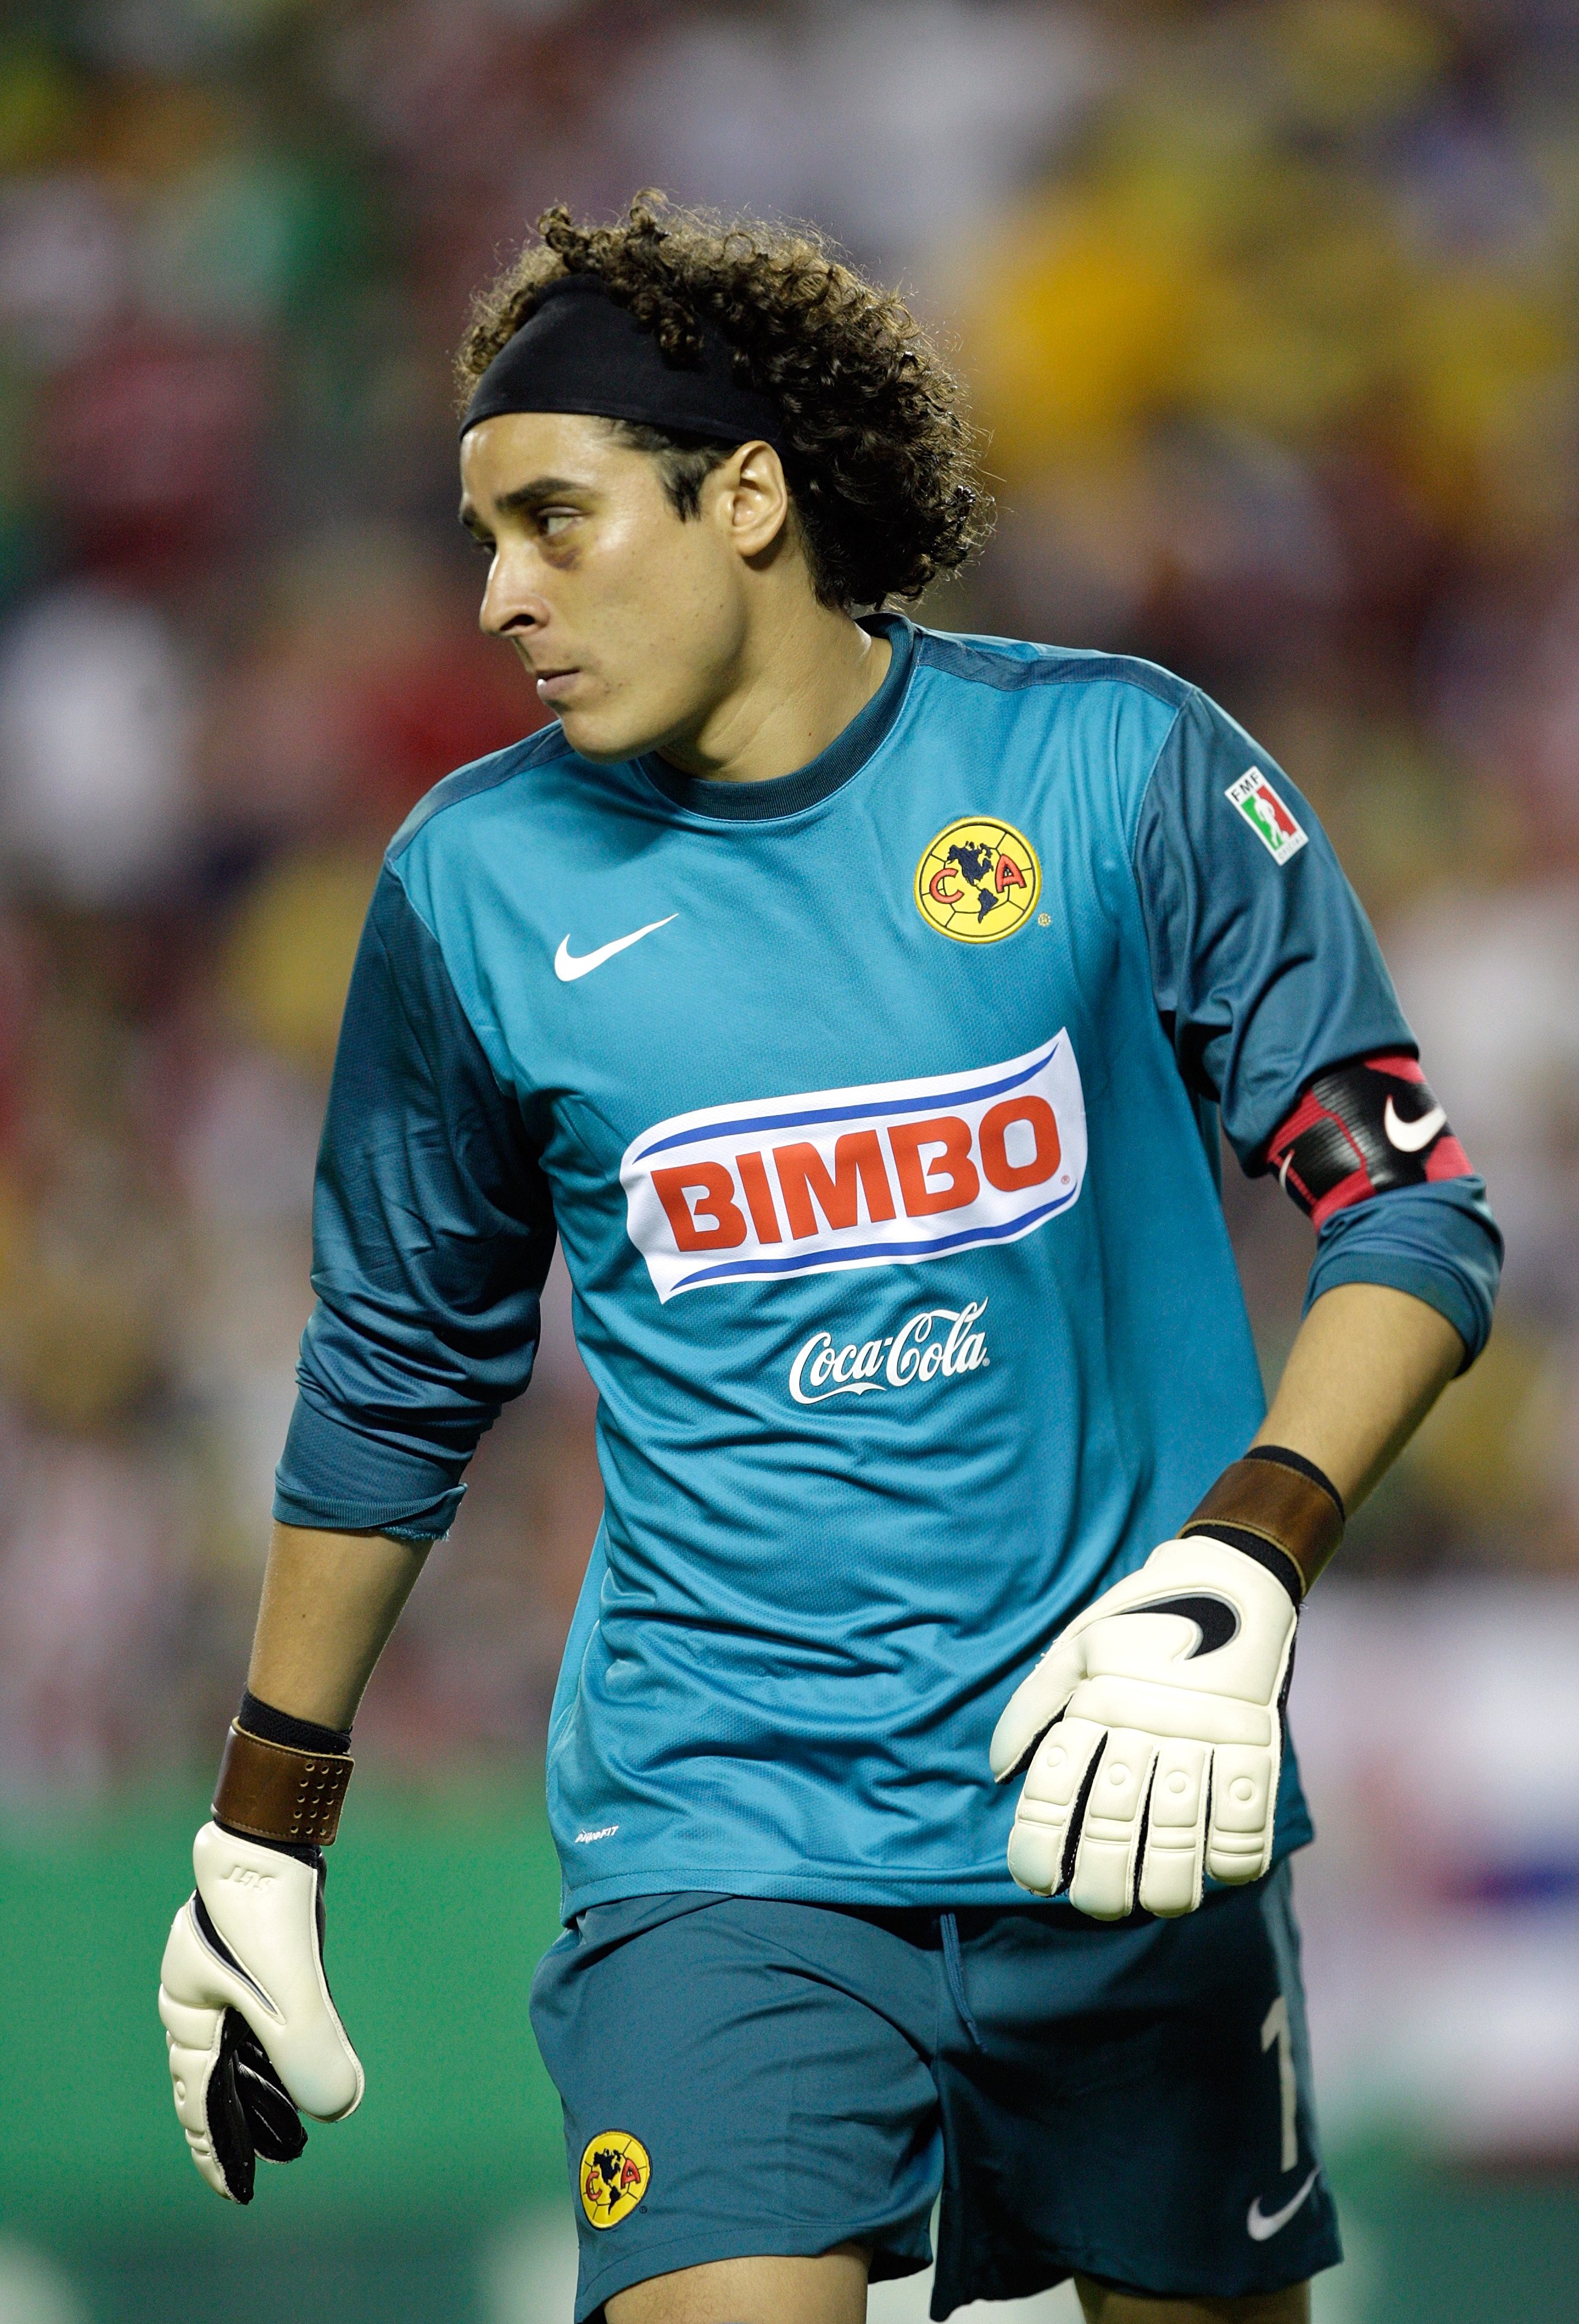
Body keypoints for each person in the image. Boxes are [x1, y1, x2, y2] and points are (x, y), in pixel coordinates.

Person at [157, 197, 1500, 2324]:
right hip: (724, 1841)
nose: (500, 594)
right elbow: (398, 1366)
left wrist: (1245, 1562)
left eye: (556, 522)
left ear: (751, 499)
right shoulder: (472, 887)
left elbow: (1408, 1208)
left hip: (1122, 1798)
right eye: (483, 538)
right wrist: (261, 1824)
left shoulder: (1111, 767)